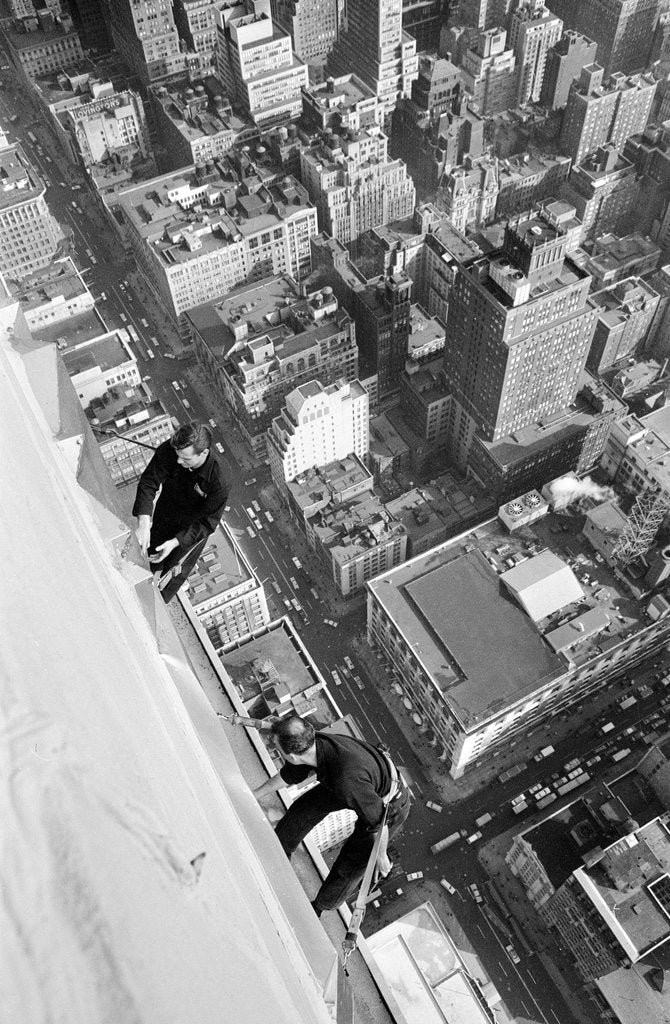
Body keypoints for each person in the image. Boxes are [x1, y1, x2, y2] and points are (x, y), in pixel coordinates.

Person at [254, 716, 411, 917]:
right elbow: (290, 775)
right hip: (364, 782)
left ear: (291, 755)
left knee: (352, 862)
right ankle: (280, 848)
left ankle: (320, 907)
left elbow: (379, 822)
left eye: (277, 747)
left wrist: (381, 858)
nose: (276, 748)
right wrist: (255, 793)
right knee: (307, 807)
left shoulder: (346, 779)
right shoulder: (312, 744)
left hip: (389, 806)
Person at [132, 423, 229, 602]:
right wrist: (144, 524)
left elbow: (207, 523)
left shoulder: (219, 481)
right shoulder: (173, 449)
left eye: (186, 459)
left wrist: (176, 542)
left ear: (204, 453)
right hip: (166, 511)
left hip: (190, 530)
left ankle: (156, 605)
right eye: (177, 456)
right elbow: (149, 482)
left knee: (171, 575)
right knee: (145, 554)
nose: (178, 462)